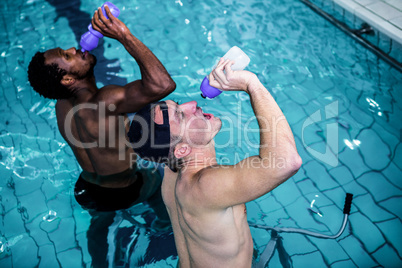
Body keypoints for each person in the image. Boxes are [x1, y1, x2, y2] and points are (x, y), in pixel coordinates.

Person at [128, 58, 302, 267]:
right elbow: (287, 162)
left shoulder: (173, 169)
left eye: (179, 105)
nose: (192, 104)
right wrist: (251, 85)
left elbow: (151, 140)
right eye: (181, 115)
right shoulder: (206, 187)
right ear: (182, 150)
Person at [27, 5, 175, 223]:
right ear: (68, 80)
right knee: (161, 179)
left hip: (86, 187)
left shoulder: (62, 103)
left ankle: (98, 247)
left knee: (99, 226)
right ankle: (163, 224)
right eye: (67, 56)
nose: (73, 48)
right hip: (123, 189)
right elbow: (163, 84)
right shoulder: (105, 102)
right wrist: (124, 36)